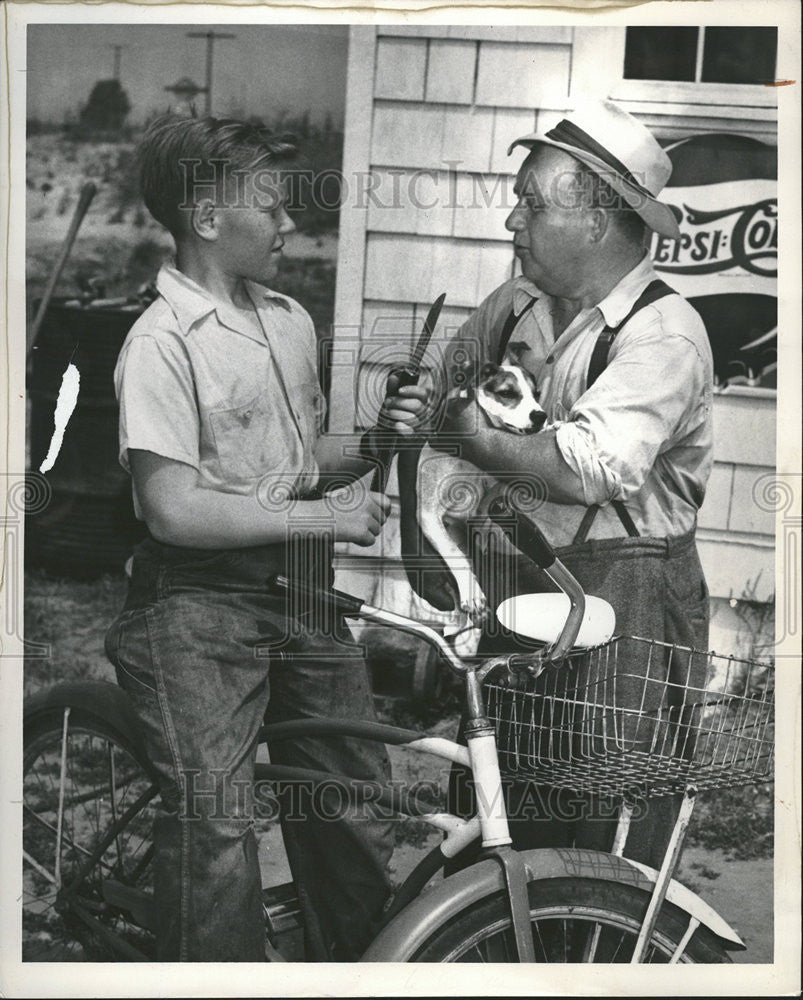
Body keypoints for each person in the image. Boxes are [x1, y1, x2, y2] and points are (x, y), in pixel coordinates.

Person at [104, 115, 429, 962]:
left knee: (350, 803)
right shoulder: (160, 344)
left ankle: (356, 970)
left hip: (300, 593)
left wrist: (372, 444)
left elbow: (296, 464)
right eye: (273, 208)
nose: (290, 226)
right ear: (206, 219)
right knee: (214, 821)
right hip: (196, 606)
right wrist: (322, 517)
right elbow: (172, 506)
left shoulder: (286, 320)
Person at [438, 100, 714, 871]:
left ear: (596, 219)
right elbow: (438, 395)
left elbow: (587, 470)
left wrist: (474, 438)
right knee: (496, 810)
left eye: (530, 203)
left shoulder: (663, 334)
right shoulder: (512, 307)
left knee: (601, 824)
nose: (510, 223)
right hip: (519, 587)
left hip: (629, 600)